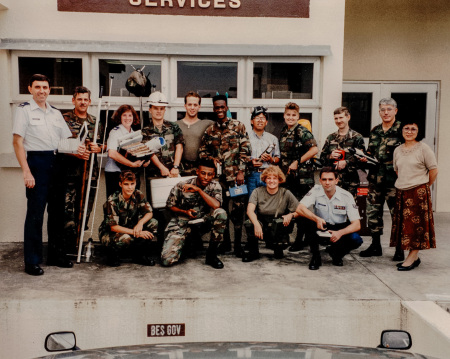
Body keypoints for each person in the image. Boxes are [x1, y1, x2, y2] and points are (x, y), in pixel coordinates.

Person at [12, 74, 75, 275]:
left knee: (57, 213)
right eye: (37, 87)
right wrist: (26, 171)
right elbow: (17, 142)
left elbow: (66, 140)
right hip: (37, 163)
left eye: (45, 87)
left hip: (57, 162)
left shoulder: (56, 113)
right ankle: (32, 261)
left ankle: (56, 256)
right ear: (30, 89)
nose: (42, 90)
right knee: (35, 215)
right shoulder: (24, 111)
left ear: (49, 90)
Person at [198, 94, 252, 257]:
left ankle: (238, 247)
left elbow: (246, 150)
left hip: (237, 179)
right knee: (222, 210)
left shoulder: (238, 126)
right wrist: (211, 158)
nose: (220, 110)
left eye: (222, 107)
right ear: (214, 109)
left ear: (227, 108)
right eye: (217, 107)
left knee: (237, 213)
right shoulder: (210, 130)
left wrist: (241, 171)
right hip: (218, 181)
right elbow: (202, 151)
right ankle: (226, 244)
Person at [161, 159, 227, 269]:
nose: (206, 177)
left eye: (209, 174)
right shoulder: (183, 185)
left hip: (203, 222)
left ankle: (211, 255)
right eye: (203, 173)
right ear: (197, 172)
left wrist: (199, 190)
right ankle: (185, 245)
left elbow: (216, 205)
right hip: (184, 223)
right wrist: (184, 212)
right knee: (167, 260)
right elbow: (170, 206)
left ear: (213, 175)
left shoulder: (215, 186)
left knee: (221, 213)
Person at [390, 121, 438, 271]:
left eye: (413, 129)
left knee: (416, 227)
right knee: (406, 227)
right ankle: (414, 257)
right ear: (401, 130)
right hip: (402, 191)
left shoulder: (424, 149)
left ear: (418, 132)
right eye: (406, 128)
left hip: (418, 192)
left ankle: (411, 257)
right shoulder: (398, 150)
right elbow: (397, 170)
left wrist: (423, 186)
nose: (409, 131)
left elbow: (433, 170)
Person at [62, 86, 105, 251]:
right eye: (79, 99)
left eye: (85, 99)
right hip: (69, 174)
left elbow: (103, 145)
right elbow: (58, 145)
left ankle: (77, 245)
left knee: (85, 211)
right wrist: (74, 152)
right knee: (67, 212)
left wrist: (98, 148)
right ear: (73, 100)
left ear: (90, 101)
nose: (82, 102)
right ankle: (66, 247)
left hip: (89, 175)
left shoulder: (95, 122)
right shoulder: (64, 119)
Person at [359, 98, 403, 260]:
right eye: (383, 109)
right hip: (375, 180)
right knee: (373, 214)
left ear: (395, 111)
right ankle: (375, 245)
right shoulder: (375, 131)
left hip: (394, 182)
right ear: (379, 112)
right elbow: (371, 152)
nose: (386, 112)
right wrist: (365, 158)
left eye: (389, 109)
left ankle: (400, 248)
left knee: (397, 215)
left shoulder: (402, 130)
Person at [295, 167, 363, 270]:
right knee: (303, 219)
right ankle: (316, 256)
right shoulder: (316, 190)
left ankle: (337, 254)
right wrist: (316, 219)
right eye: (324, 179)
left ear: (336, 180)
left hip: (339, 228)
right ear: (320, 181)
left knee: (356, 239)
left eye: (330, 179)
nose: (327, 182)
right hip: (321, 225)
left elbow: (357, 224)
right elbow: (300, 208)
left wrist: (340, 233)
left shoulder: (346, 196)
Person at [279, 102, 318, 252]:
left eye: (293, 115)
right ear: (284, 116)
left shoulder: (302, 131)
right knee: (291, 207)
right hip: (289, 178)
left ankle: (301, 240)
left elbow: (314, 149)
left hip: (302, 178)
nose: (290, 117)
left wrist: (297, 161)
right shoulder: (284, 131)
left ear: (298, 116)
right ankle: (298, 239)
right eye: (288, 115)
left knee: (302, 209)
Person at [99, 170, 159, 267]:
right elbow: (113, 227)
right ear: (120, 184)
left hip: (129, 226)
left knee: (153, 223)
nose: (130, 187)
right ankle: (112, 255)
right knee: (125, 238)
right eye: (126, 184)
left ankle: (139, 255)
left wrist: (140, 224)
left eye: (132, 184)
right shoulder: (113, 200)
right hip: (110, 233)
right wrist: (138, 233)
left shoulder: (138, 194)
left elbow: (149, 213)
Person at [243, 166, 299, 262]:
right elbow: (250, 210)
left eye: (275, 178)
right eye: (269, 178)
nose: (271, 181)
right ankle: (253, 252)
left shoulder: (286, 193)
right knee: (250, 223)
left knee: (278, 254)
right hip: (262, 224)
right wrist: (256, 224)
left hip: (277, 226)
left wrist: (290, 215)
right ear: (264, 179)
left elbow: (300, 210)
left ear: (279, 180)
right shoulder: (257, 191)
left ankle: (278, 246)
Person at [320, 107, 365, 198]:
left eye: (341, 117)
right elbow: (322, 159)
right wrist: (330, 157)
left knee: (349, 210)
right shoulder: (330, 138)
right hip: (333, 183)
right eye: (336, 118)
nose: (338, 121)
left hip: (351, 183)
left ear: (348, 117)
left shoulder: (357, 137)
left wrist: (346, 162)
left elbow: (362, 159)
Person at [105, 104, 146, 198]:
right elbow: (112, 153)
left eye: (130, 115)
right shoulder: (115, 132)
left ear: (134, 117)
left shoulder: (134, 134)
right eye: (124, 115)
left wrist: (144, 162)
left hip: (129, 173)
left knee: (130, 204)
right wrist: (131, 164)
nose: (127, 118)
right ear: (119, 117)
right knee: (114, 204)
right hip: (115, 173)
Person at [142, 91, 184, 178]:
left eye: (161, 108)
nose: (159, 111)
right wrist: (161, 168)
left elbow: (179, 146)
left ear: (165, 110)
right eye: (156, 108)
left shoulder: (173, 126)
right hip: (155, 173)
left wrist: (176, 167)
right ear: (150, 110)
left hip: (174, 172)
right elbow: (148, 151)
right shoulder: (145, 131)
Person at [177, 92, 214, 176]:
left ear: (199, 107)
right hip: (180, 168)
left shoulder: (207, 124)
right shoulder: (176, 125)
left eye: (195, 105)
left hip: (200, 169)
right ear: (185, 106)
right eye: (189, 104)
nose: (192, 108)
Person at [246, 106, 280, 196]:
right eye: (257, 118)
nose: (260, 120)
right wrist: (250, 161)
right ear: (251, 121)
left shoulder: (273, 139)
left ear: (266, 122)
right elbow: (239, 157)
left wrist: (270, 159)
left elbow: (278, 158)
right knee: (252, 202)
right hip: (251, 175)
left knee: (268, 202)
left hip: (268, 175)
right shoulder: (245, 138)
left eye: (262, 118)